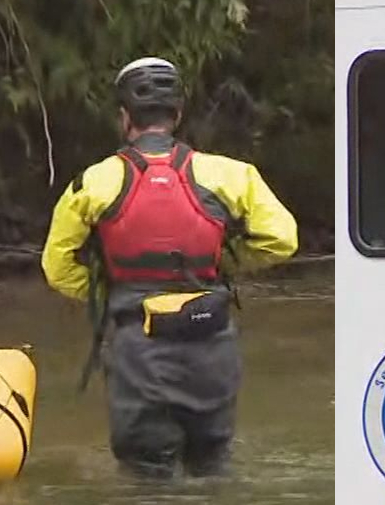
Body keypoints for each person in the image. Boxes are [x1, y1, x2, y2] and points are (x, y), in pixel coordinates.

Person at [42, 57, 297, 478]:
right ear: (177, 115)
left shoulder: (91, 184)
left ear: (124, 118)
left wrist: (108, 290)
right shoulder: (232, 175)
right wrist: (228, 262)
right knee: (212, 471)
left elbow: (57, 267)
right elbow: (282, 240)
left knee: (148, 482)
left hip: (140, 353)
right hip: (212, 345)